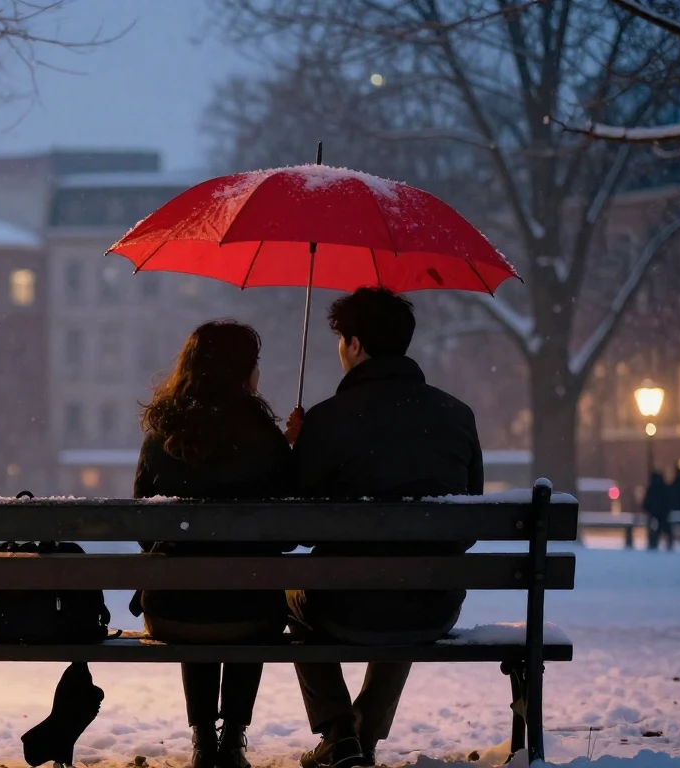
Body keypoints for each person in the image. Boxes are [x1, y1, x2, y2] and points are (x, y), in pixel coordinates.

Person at [287, 288, 483, 768]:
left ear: (354, 345)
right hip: (432, 605)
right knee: (408, 578)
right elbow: (467, 522)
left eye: (340, 341)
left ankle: (339, 733)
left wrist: (299, 447)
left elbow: (298, 526)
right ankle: (364, 731)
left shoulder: (328, 420)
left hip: (342, 605)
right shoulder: (457, 415)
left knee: (288, 593)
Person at [134, 320, 295, 768]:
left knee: (193, 581)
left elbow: (147, 532)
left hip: (173, 615)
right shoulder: (265, 439)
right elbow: (291, 537)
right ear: (243, 372)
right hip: (252, 618)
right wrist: (291, 450)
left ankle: (204, 736)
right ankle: (234, 736)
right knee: (247, 585)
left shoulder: (162, 436)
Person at [643, 470, 674, 551]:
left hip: (653, 512)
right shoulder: (664, 487)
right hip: (663, 513)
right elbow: (668, 500)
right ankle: (669, 543)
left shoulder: (651, 488)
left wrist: (648, 509)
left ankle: (653, 543)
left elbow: (647, 501)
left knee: (653, 529)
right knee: (665, 528)